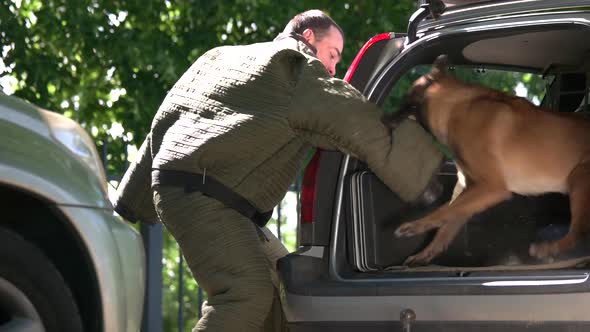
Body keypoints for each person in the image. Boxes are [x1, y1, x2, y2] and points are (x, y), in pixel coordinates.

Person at [114, 9, 442, 332]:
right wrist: (429, 178)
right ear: (308, 36)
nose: (334, 67)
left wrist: (133, 199)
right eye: (333, 54)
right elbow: (350, 115)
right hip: (204, 196)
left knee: (285, 290)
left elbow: (166, 116)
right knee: (245, 295)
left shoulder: (220, 57)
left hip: (198, 193)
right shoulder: (293, 64)